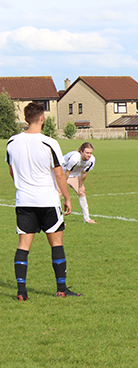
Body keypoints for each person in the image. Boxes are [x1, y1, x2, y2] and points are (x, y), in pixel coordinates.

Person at [5, 102, 82, 300]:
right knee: (56, 243)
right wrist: (67, 197)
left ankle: (22, 292)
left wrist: (23, 187)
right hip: (47, 200)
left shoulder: (11, 142)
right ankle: (61, 288)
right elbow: (59, 175)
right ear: (42, 118)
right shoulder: (50, 143)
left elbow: (12, 172)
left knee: (23, 245)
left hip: (24, 201)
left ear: (25, 118)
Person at [63, 142, 97, 223]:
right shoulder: (75, 158)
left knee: (82, 192)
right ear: (81, 151)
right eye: (87, 153)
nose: (89, 155)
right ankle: (59, 220)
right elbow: (67, 173)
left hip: (75, 175)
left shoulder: (91, 160)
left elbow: (84, 173)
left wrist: (80, 186)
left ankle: (87, 218)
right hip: (63, 174)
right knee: (58, 193)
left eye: (90, 153)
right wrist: (62, 187)